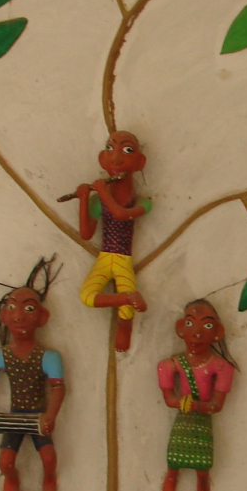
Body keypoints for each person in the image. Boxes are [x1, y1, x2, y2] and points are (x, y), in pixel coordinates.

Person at [0, 257, 65, 491]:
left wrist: (50, 415)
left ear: (42, 317)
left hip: (37, 417)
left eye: (28, 309)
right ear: (4, 316)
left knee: (49, 458)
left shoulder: (48, 357)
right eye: (12, 308)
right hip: (14, 417)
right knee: (5, 462)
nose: (19, 316)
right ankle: (12, 479)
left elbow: (58, 388)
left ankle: (49, 479)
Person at [157, 299, 238, 491]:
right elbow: (169, 399)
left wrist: (197, 407)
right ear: (181, 329)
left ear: (217, 333)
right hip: (184, 417)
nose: (198, 333)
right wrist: (182, 403)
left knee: (203, 464)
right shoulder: (170, 365)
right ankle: (171, 480)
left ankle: (203, 489)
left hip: (201, 418)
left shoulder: (221, 367)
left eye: (207, 326)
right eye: (191, 324)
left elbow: (216, 405)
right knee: (174, 458)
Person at [72, 130, 149, 351]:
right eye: (110, 149)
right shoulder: (99, 199)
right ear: (102, 158)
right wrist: (85, 198)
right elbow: (86, 234)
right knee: (87, 296)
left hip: (124, 259)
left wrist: (103, 193)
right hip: (104, 258)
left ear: (140, 162)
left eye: (127, 150)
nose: (116, 158)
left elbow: (121, 214)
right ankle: (126, 297)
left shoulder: (142, 201)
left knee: (128, 312)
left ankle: (124, 327)